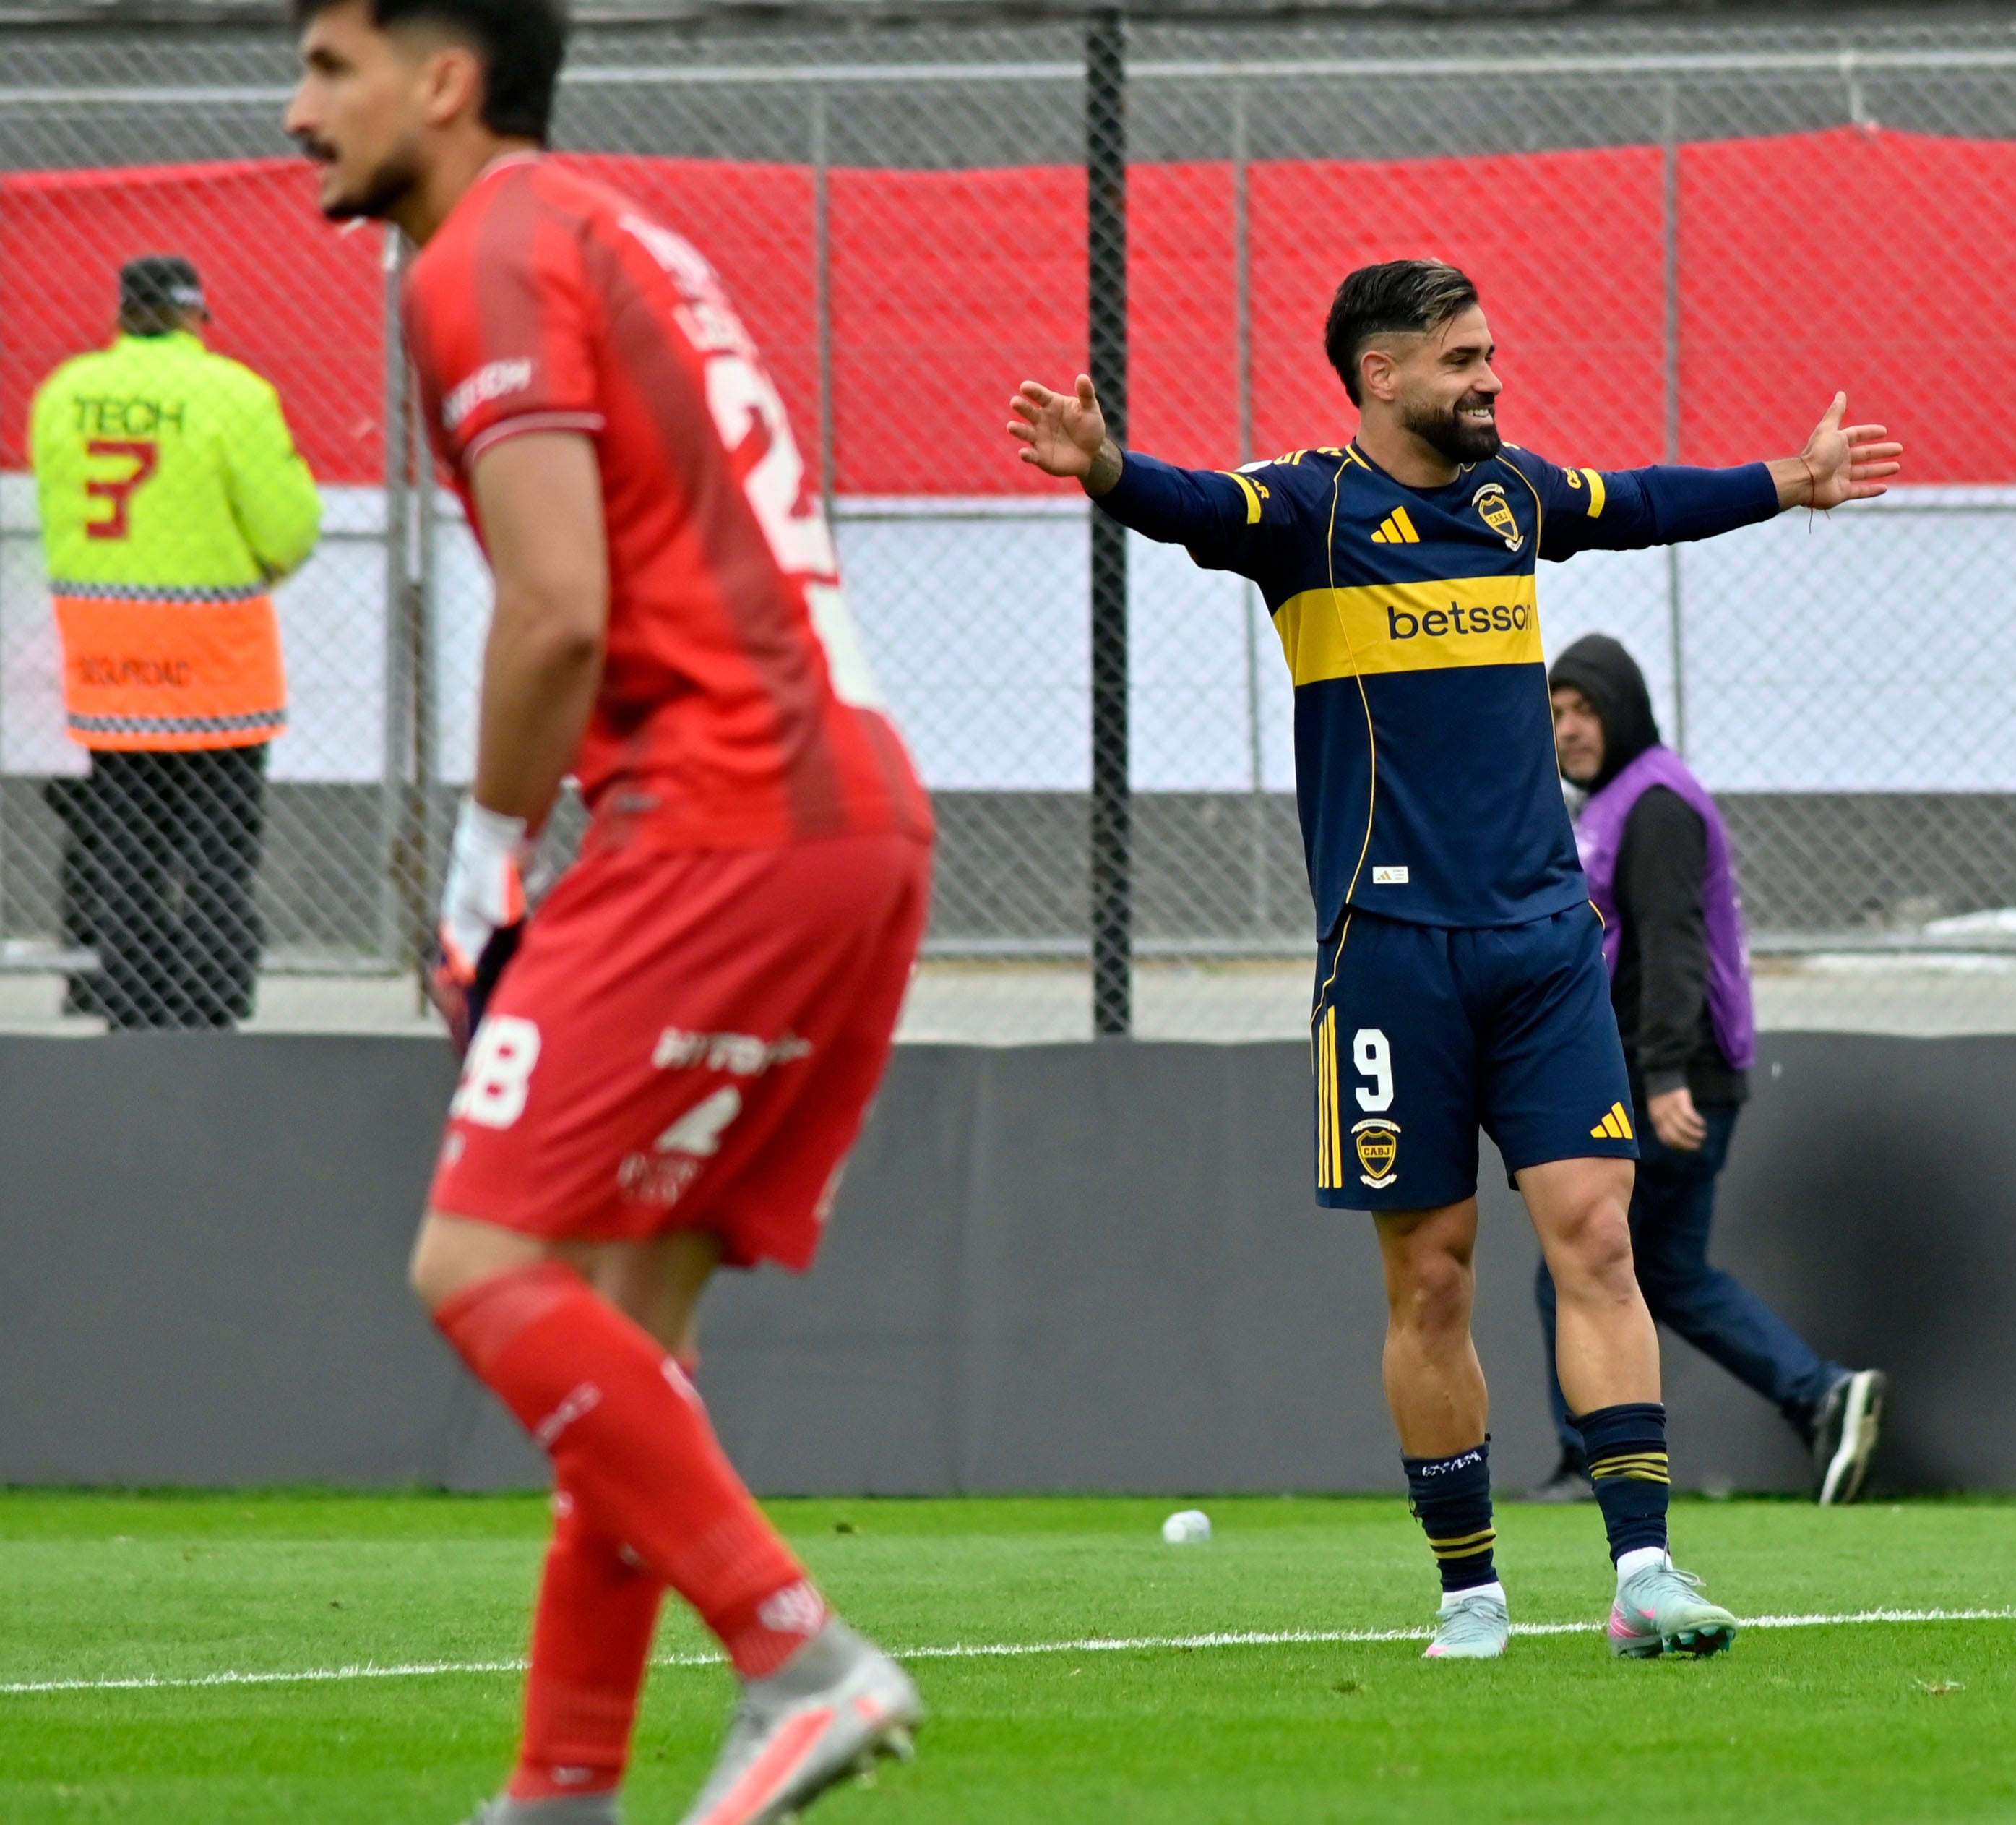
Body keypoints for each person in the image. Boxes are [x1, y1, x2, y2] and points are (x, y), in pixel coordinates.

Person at [1010, 259, 1899, 1661]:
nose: (1491, 379)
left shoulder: (1512, 498)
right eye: (1462, 360)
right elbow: (1191, 505)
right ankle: (1471, 1588)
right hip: (1390, 953)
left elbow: (1640, 500)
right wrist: (1108, 466)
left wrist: (1786, 480)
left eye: (1491, 354)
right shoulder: (1306, 511)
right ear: (1381, 374)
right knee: (1431, 1275)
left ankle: (1644, 1570)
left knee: (1601, 1236)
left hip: (1545, 943)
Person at [286, 2, 934, 1820]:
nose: (295, 109)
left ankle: (798, 1651)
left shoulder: (476, 252)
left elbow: (556, 605)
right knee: (623, 1347)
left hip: (719, 814)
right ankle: (561, 1788)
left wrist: (485, 866)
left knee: (472, 1263)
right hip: (852, 817)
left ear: (446, 77)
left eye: (331, 64)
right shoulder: (614, 228)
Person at [1534, 635, 1887, 1507]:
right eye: (1556, 714)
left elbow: (1674, 949)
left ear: (1623, 710)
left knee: (1574, 1266)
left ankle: (1592, 1462)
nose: (1570, 730)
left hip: (1671, 1080)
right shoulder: (1622, 798)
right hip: (1679, 1075)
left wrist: (1659, 1077)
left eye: (1584, 710)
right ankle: (1821, 1395)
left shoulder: (1652, 804)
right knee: (1668, 1271)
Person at [28, 254, 321, 1029]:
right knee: (218, 852)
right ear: (197, 318)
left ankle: (132, 1005)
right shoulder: (234, 394)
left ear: (122, 315)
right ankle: (213, 1006)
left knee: (126, 844)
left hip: (110, 663)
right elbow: (290, 528)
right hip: (216, 668)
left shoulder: (63, 394)